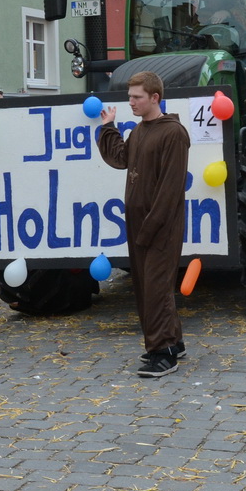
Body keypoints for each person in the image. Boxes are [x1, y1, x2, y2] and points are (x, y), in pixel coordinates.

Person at [95, 71, 191, 378]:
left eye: (137, 97)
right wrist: (108, 127)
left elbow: (171, 188)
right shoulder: (139, 131)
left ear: (155, 98)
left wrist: (152, 226)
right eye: (129, 97)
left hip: (160, 225)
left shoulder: (173, 133)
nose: (131, 103)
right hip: (139, 223)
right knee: (147, 285)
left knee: (156, 287)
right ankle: (173, 341)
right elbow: (121, 158)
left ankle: (162, 353)